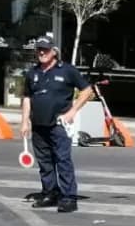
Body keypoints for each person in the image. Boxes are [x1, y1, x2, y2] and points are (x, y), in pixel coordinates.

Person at [21, 37, 93, 213]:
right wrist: (24, 121)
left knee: (62, 160)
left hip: (59, 124)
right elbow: (27, 98)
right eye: (39, 49)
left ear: (54, 51)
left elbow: (87, 91)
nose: (42, 53)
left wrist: (72, 111)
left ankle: (68, 197)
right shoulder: (32, 73)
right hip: (38, 124)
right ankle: (50, 193)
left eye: (45, 49)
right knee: (45, 162)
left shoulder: (67, 70)